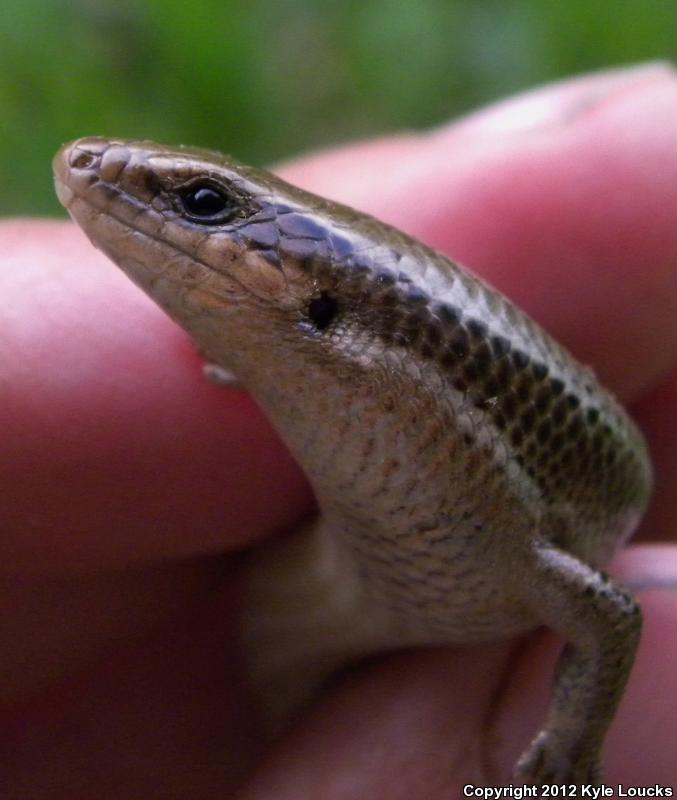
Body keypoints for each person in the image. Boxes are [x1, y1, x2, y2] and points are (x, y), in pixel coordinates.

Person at [1, 63, 675, 797]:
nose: (94, 170)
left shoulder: (484, 478)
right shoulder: (315, 358)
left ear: (321, 298)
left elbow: (612, 617)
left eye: (200, 203)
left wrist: (569, 755)